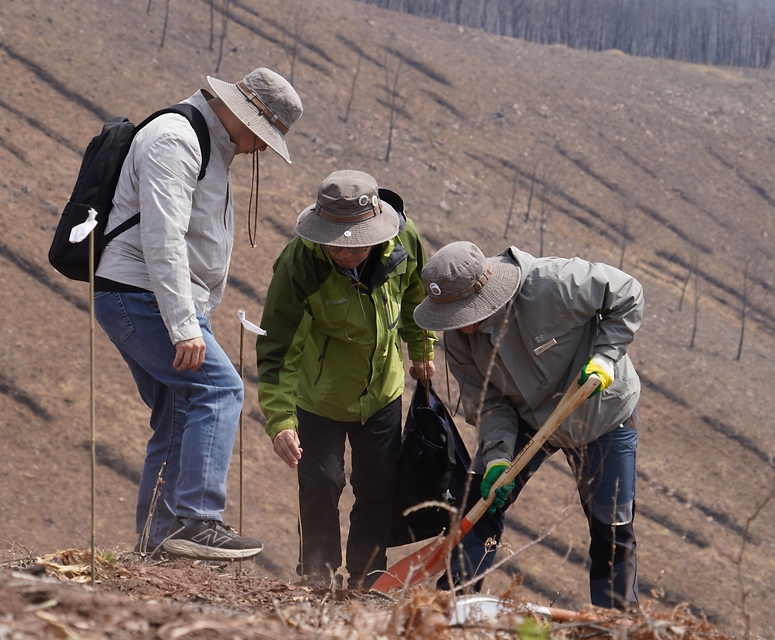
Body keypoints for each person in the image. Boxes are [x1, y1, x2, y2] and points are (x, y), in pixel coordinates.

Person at [92, 68, 303, 560]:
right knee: (221, 388)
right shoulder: (176, 140)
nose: (262, 149)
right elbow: (161, 240)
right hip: (142, 293)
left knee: (178, 414)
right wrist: (185, 326)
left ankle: (157, 544)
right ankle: (198, 520)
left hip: (147, 295)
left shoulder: (206, 143)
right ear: (242, 114)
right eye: (264, 135)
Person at [413, 241, 643, 609]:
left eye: (462, 313)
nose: (456, 324)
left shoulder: (553, 283)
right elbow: (488, 402)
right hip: (525, 415)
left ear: (484, 293)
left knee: (610, 523)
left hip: (599, 410)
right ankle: (453, 605)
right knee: (483, 499)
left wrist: (606, 355)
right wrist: (499, 457)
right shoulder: (458, 338)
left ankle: (616, 621)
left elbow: (627, 293)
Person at [256, 170, 436, 588]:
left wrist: (422, 349)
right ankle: (316, 573)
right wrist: (280, 419)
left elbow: (418, 299)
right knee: (321, 480)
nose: (344, 251)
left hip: (382, 391)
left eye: (354, 242)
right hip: (320, 395)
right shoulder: (299, 264)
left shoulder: (404, 242)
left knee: (378, 485)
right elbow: (277, 348)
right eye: (333, 243)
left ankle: (367, 575)